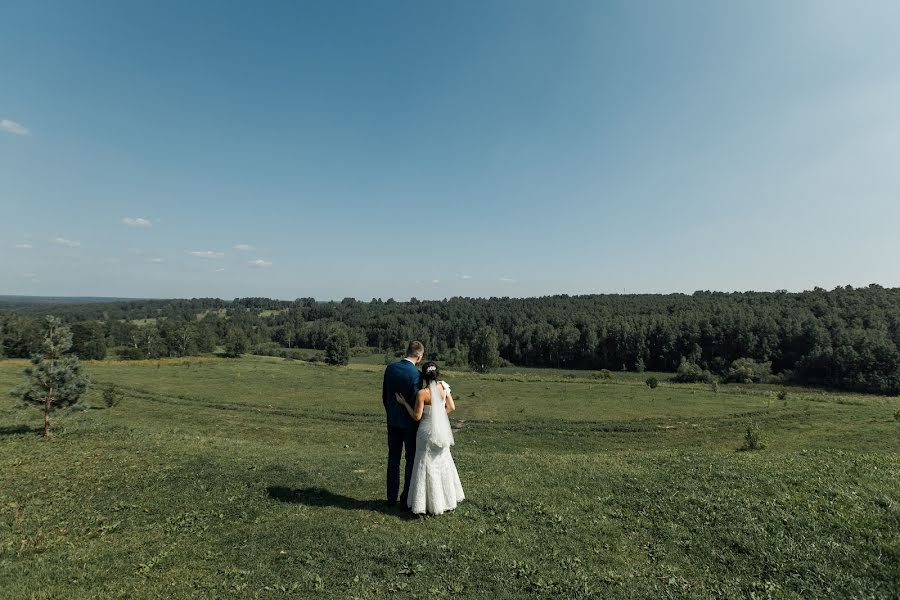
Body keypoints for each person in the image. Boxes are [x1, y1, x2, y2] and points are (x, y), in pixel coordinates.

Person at [395, 361, 465, 515]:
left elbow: (416, 416)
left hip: (426, 431)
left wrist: (404, 403)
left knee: (424, 464)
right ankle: (446, 500)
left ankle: (425, 503)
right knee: (443, 461)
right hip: (441, 430)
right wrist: (438, 417)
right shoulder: (444, 386)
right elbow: (451, 407)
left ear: (423, 375)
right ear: (437, 374)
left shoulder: (422, 393)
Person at [382, 340, 424, 508]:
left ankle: (390, 498)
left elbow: (385, 396)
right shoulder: (416, 375)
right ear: (419, 356)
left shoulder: (390, 368)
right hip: (409, 424)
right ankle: (406, 498)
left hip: (392, 421)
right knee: (410, 460)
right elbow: (416, 402)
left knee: (393, 459)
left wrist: (391, 413)